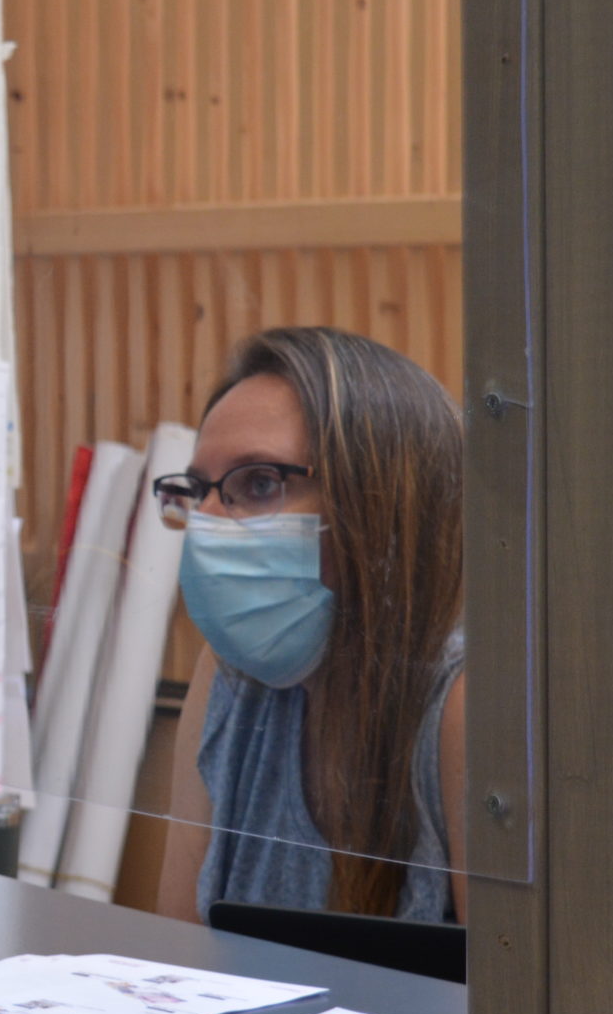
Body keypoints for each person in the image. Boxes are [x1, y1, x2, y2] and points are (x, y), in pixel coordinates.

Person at [153, 327, 467, 924]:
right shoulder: (229, 676)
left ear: (380, 507)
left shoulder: (462, 702)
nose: (207, 522)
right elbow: (177, 949)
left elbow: (513, 979)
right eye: (197, 491)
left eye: (259, 484)